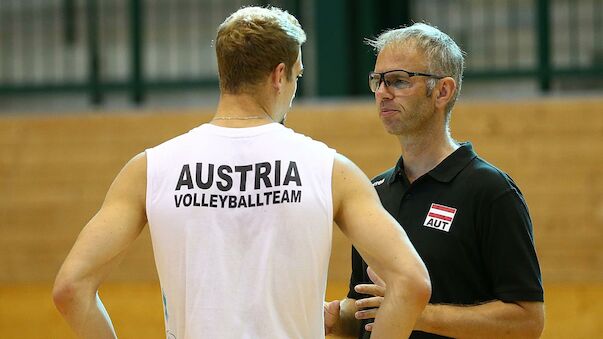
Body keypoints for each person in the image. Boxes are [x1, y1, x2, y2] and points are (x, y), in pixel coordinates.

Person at [52, 6, 431, 339]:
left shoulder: (150, 168)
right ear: (279, 75)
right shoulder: (330, 169)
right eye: (297, 77)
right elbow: (411, 282)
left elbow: (71, 289)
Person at [324, 23, 545, 338]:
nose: (383, 93)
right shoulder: (375, 192)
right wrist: (335, 317)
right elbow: (366, 310)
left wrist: (414, 312)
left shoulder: (490, 190)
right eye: (378, 81)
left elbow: (528, 321)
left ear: (443, 91)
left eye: (399, 80)